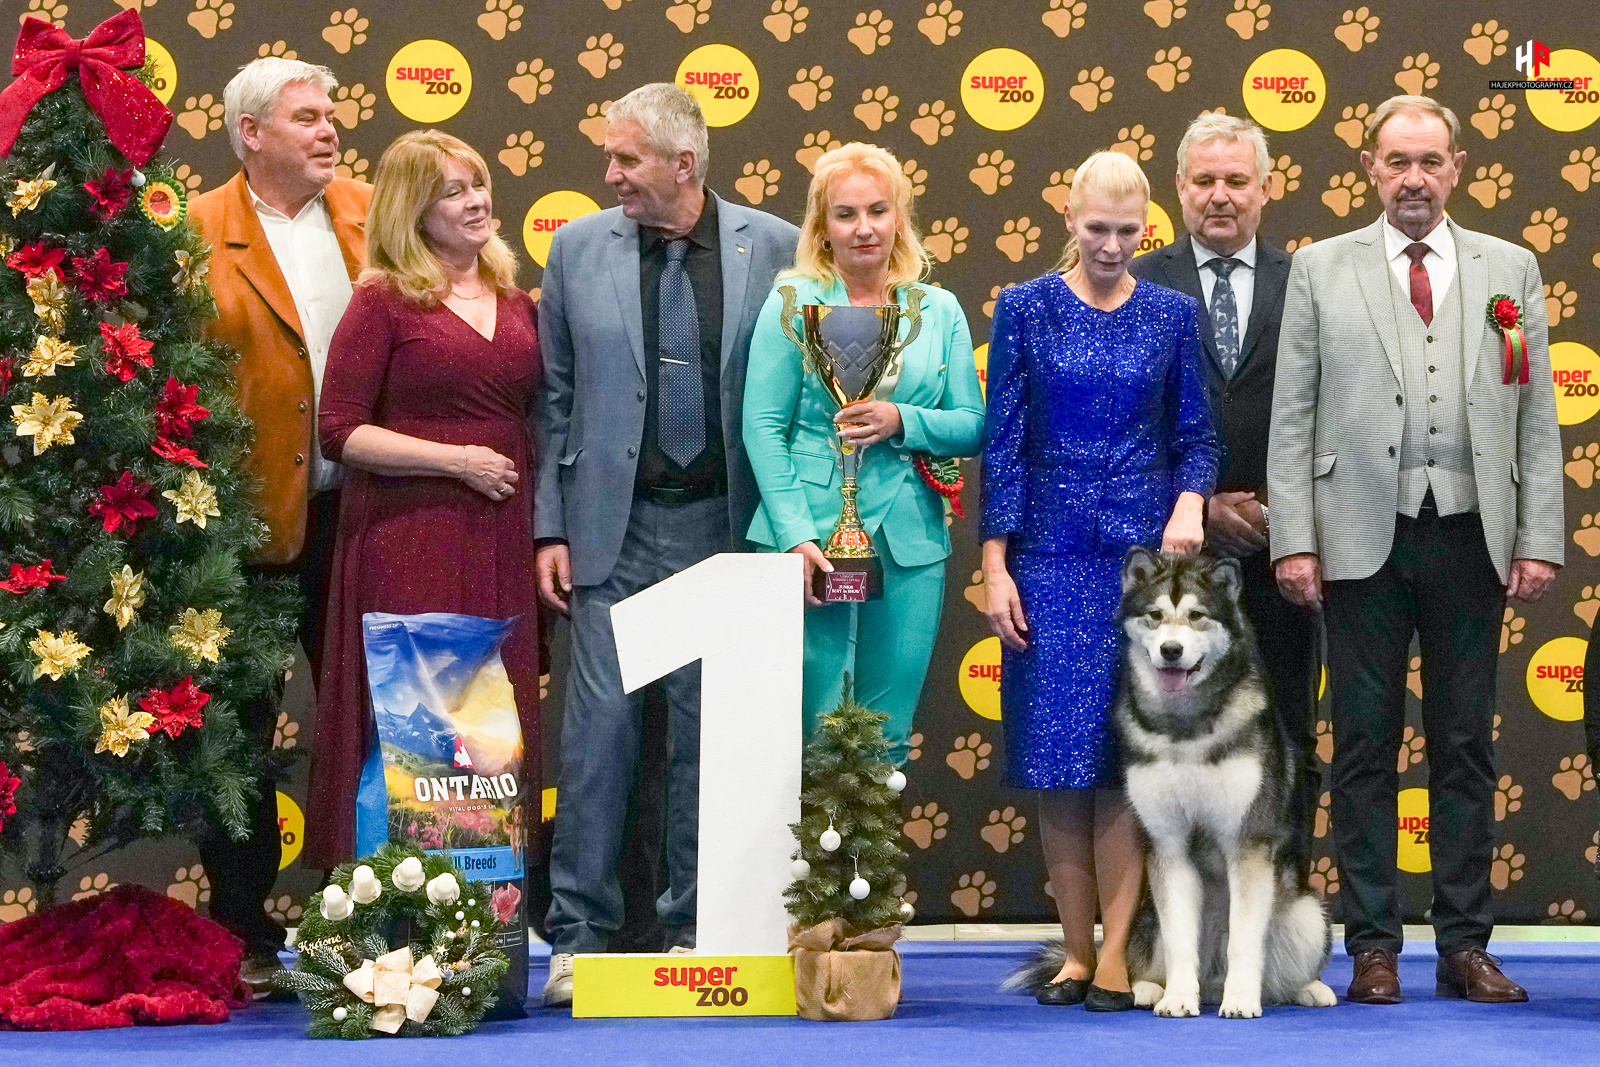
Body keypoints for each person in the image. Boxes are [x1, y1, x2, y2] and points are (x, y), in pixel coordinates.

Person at [1268, 95, 1564, 1005]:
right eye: (1397, 161)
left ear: (1458, 167)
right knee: (1363, 747)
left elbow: (1534, 413)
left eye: (1431, 161)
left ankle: (1465, 944)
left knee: (1464, 745)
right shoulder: (1320, 268)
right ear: (1369, 167)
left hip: (1473, 536)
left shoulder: (1510, 269)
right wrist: (1294, 539)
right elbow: (1292, 414)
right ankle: (1373, 947)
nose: (1414, 178)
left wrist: (1538, 535)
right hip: (1358, 538)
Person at [533, 83, 798, 1006]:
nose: (610, 174)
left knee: (706, 744)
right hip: (614, 529)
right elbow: (554, 401)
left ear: (684, 164)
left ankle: (697, 929)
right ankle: (578, 935)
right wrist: (550, 525)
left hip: (726, 528)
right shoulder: (574, 250)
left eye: (626, 158)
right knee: (596, 742)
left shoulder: (777, 247)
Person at [983, 151, 1219, 1010]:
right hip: (1045, 560)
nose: (1112, 246)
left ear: (1147, 226)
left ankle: (1117, 955)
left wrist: (1190, 499)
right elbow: (1002, 443)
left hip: (1142, 574)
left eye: (1127, 231)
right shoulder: (1024, 307)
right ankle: (1075, 954)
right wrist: (994, 564)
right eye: (1096, 229)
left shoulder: (1172, 314)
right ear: (1069, 218)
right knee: (1058, 763)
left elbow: (1198, 435)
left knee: (1126, 764)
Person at [308, 131, 542, 879]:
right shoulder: (381, 300)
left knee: (492, 721)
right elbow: (340, 430)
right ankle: (403, 894)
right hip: (411, 537)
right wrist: (457, 461)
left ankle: (488, 895)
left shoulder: (516, 298)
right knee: (420, 718)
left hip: (501, 534)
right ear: (413, 209)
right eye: (452, 191)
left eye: (478, 184)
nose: (476, 201)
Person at [189, 56, 371, 995]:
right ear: (250, 133)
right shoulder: (192, 232)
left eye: (330, 114)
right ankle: (240, 926)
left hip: (364, 513)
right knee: (238, 735)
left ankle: (377, 913)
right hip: (242, 528)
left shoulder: (374, 214)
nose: (329, 130)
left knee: (374, 716)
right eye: (307, 117)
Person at [743, 143, 984, 763]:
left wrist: (903, 419)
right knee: (807, 729)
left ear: (899, 217)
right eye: (845, 214)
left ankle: (869, 835)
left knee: (887, 734)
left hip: (910, 541)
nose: (864, 228)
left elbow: (972, 425)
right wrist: (794, 537)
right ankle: (802, 835)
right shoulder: (792, 302)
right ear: (822, 226)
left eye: (878, 210)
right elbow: (762, 427)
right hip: (808, 537)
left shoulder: (938, 311)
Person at [1129, 112, 1318, 871]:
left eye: (1237, 180)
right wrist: (1198, 503)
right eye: (1204, 180)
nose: (1220, 195)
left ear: (1265, 189)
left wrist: (1277, 511)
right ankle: (1177, 921)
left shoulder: (1309, 282)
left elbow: (1335, 412)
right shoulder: (1139, 283)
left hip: (1284, 550)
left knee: (1287, 732)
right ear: (1178, 188)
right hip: (1172, 554)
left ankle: (1284, 906)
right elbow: (1123, 423)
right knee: (1165, 746)